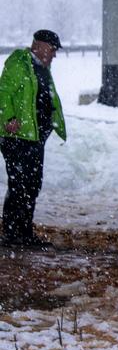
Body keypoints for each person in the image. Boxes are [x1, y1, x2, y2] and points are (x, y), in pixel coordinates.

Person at [1, 29, 65, 249]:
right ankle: (12, 233)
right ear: (39, 45)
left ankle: (23, 232)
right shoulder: (20, 64)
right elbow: (3, 93)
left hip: (35, 137)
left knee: (32, 184)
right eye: (52, 49)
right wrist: (8, 117)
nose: (54, 55)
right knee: (19, 184)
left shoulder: (42, 69)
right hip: (17, 137)